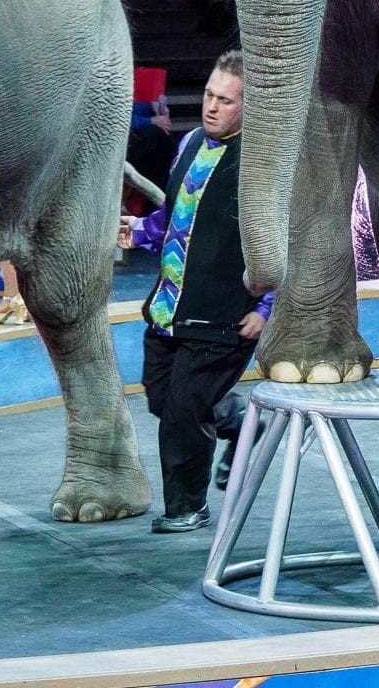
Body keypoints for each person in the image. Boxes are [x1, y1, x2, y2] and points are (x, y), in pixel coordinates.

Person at [117, 51, 272, 533]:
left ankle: (187, 508)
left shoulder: (260, 164)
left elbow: (282, 241)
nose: (211, 107)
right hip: (170, 307)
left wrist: (267, 307)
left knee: (183, 414)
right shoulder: (187, 144)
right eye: (209, 95)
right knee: (164, 400)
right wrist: (140, 230)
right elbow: (175, 217)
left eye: (225, 101)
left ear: (249, 107)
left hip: (225, 313)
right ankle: (243, 421)